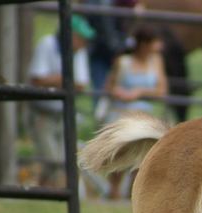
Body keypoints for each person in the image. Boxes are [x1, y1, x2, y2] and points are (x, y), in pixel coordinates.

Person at [27, 15, 94, 187]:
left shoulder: (79, 52)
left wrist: (56, 79)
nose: (83, 42)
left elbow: (81, 84)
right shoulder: (47, 44)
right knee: (53, 161)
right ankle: (51, 193)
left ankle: (43, 191)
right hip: (43, 113)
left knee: (63, 161)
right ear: (70, 35)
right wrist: (65, 79)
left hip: (64, 113)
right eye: (80, 38)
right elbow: (37, 79)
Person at [103, 26, 168, 198]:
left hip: (145, 118)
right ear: (144, 44)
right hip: (123, 115)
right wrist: (118, 92)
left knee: (141, 162)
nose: (158, 47)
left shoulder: (156, 61)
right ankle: (114, 193)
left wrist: (138, 93)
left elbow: (161, 90)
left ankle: (132, 196)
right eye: (155, 43)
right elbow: (109, 86)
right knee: (121, 160)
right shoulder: (123, 62)